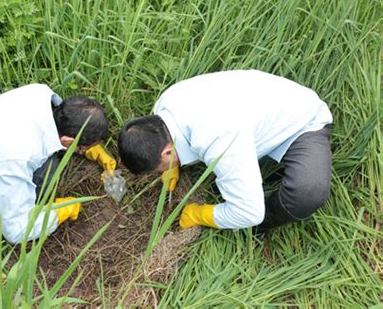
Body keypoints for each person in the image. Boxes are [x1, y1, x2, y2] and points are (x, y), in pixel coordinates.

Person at [118, 70, 332, 235]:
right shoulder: (165, 106)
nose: (160, 173)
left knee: (308, 192)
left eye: (158, 169)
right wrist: (172, 167)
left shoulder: (218, 142)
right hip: (253, 117)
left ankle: (264, 227)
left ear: (166, 152)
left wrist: (200, 214)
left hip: (300, 124)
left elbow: (249, 212)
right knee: (240, 171)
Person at [0, 84, 116, 244]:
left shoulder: (40, 94)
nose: (81, 151)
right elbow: (16, 231)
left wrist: (89, 148)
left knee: (50, 161)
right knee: (49, 170)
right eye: (80, 148)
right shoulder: (17, 157)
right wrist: (59, 211)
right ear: (69, 141)